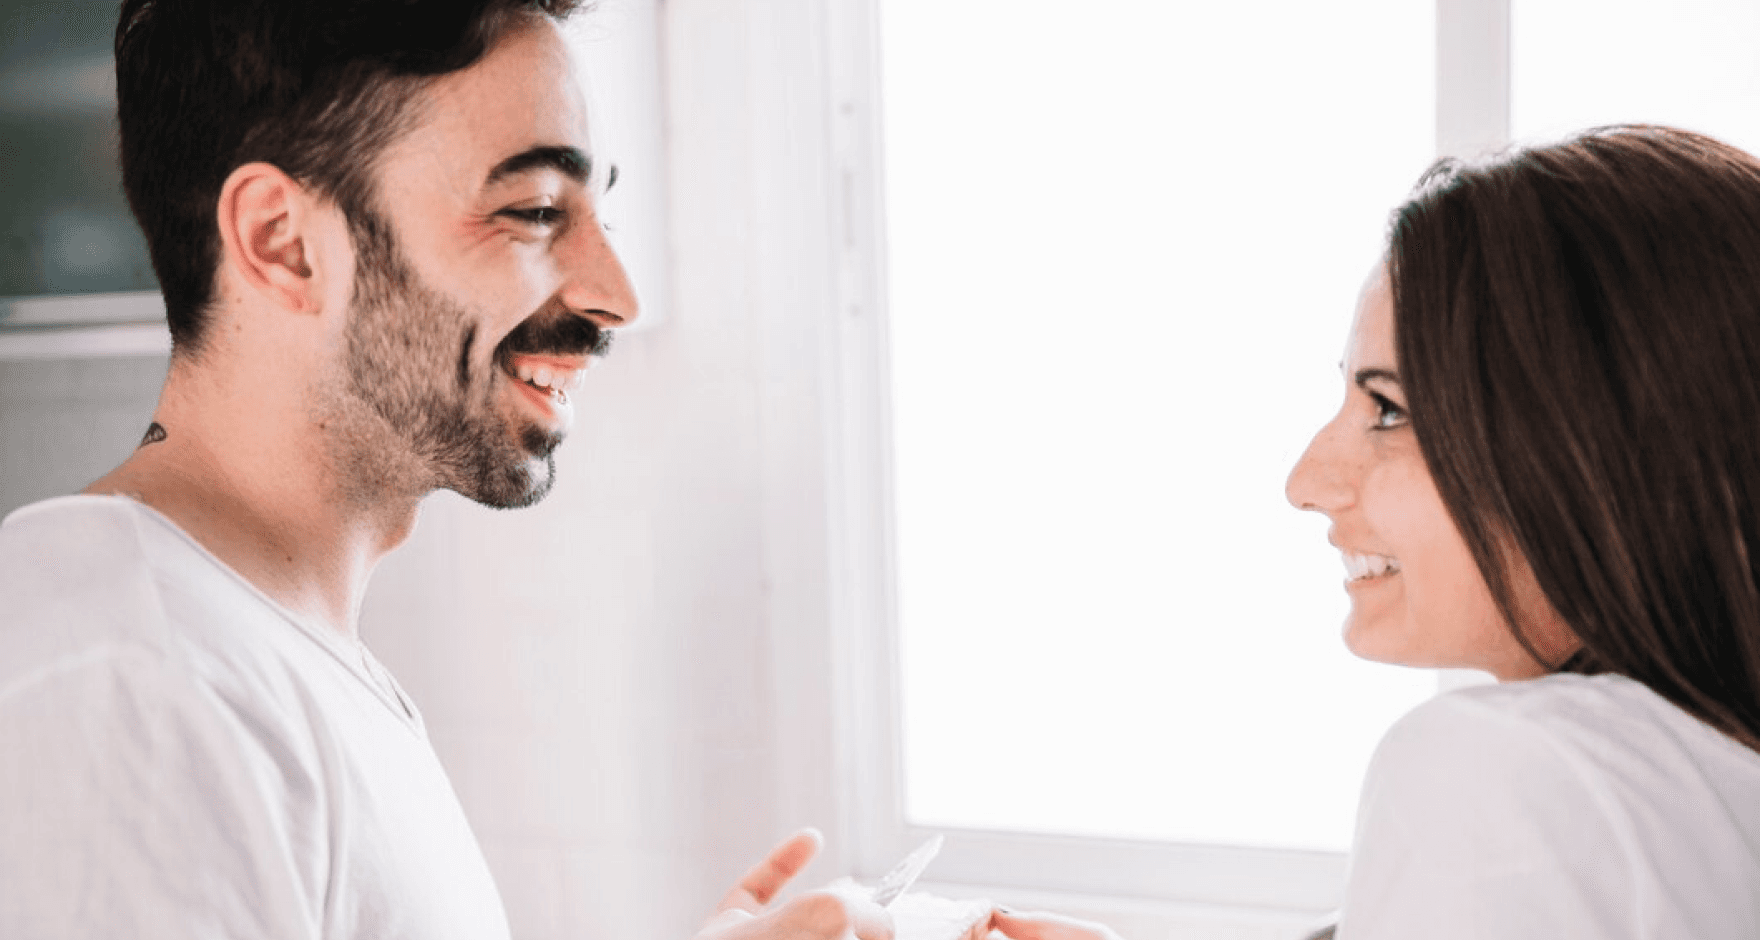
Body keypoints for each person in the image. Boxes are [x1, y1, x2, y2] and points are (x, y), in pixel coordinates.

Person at [0, 2, 890, 939]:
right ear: (282, 242)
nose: (615, 298)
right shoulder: (124, 685)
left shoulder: (271, 651)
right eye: (537, 212)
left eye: (599, 214)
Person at [993, 126, 1760, 940]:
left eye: (1389, 409)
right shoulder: (1703, 787)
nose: (1307, 483)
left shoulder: (1511, 774)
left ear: (1606, 445)